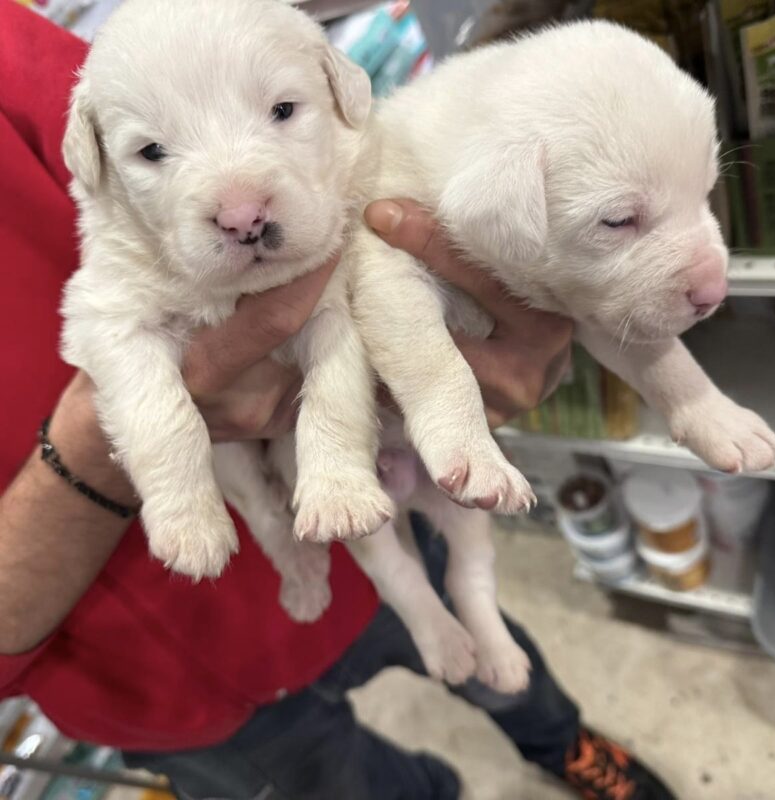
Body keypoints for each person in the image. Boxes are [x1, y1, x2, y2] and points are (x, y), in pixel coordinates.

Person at [0, 3, 675, 799]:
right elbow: (112, 290)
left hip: (356, 520)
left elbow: (168, 88)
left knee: (496, 648)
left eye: (283, 111)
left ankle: (560, 743)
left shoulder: (29, 46)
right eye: (154, 153)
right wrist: (115, 455)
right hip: (147, 692)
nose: (239, 208)